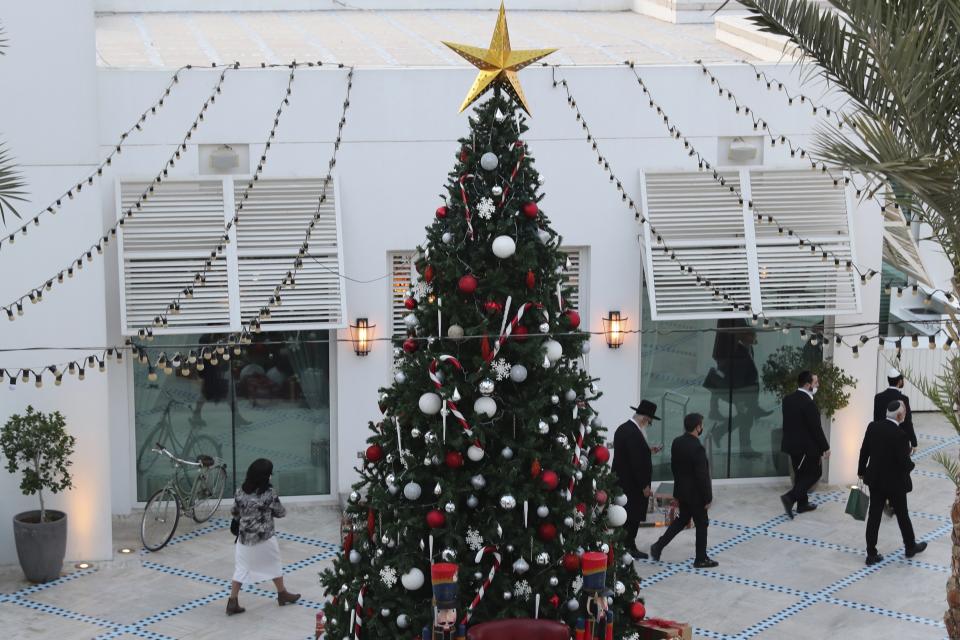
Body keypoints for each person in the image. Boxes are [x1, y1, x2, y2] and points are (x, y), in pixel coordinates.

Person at [227, 458, 300, 615]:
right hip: (264, 538)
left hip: (244, 540)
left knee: (241, 569)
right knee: (274, 565)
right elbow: (281, 512)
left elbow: (234, 512)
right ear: (265, 476)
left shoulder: (240, 492)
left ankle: (232, 601)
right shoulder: (269, 494)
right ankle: (282, 594)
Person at [858, 400, 927, 565]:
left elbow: (864, 450)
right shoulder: (900, 435)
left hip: (875, 479)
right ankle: (910, 546)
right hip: (895, 483)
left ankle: (871, 553)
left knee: (874, 515)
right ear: (899, 415)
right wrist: (911, 463)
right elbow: (904, 463)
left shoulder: (873, 427)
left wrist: (861, 471)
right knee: (903, 514)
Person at [650, 413, 717, 568]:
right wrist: (708, 498)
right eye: (701, 425)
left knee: (681, 520)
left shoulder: (677, 442)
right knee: (702, 524)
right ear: (697, 427)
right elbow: (702, 476)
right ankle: (701, 558)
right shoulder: (698, 448)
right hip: (697, 495)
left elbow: (675, 468)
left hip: (683, 492)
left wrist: (677, 493)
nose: (702, 427)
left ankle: (658, 546)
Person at [612, 400, 662, 560]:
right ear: (644, 418)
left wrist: (647, 450)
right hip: (632, 485)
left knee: (625, 516)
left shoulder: (624, 428)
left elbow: (632, 454)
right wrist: (644, 486)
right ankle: (628, 547)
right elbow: (636, 464)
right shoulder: (634, 433)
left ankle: (625, 545)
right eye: (649, 421)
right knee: (632, 517)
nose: (648, 424)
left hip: (622, 482)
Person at [779, 371, 830, 519]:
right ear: (808, 385)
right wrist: (825, 447)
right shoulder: (809, 403)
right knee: (815, 473)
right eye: (816, 383)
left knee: (800, 475)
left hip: (791, 446)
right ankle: (790, 497)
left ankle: (802, 505)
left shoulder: (788, 399)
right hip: (807, 448)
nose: (818, 385)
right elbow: (816, 428)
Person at [874, 368, 917, 451]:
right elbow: (907, 422)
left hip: (882, 442)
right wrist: (914, 442)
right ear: (900, 381)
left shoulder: (878, 397)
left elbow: (876, 420)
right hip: (899, 443)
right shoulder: (904, 399)